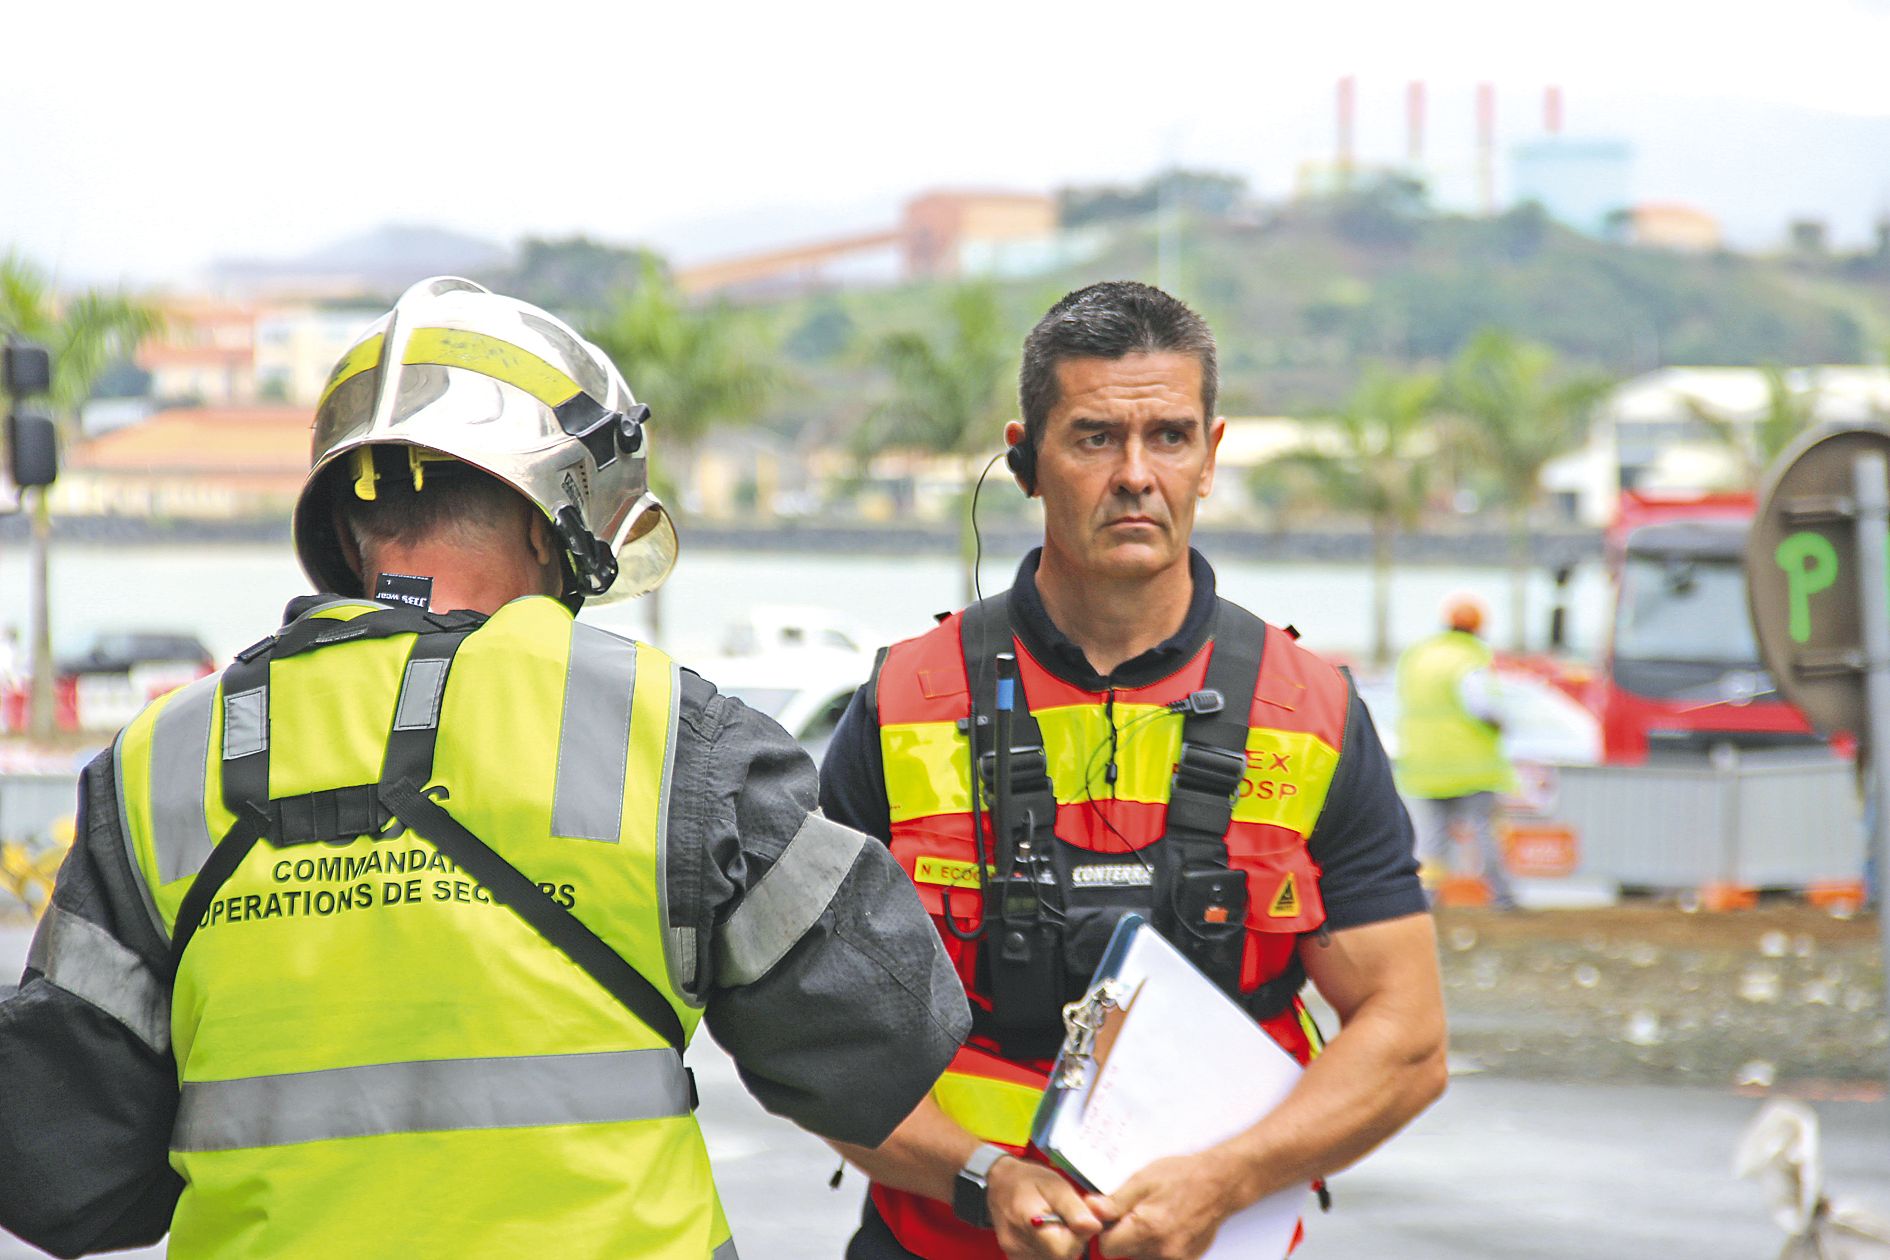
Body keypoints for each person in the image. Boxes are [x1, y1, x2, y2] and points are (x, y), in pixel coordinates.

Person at [0, 277, 969, 1260]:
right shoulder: (670, 729)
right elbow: (883, 1038)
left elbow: (61, 1176)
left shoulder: (159, 762)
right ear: (559, 528)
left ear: (344, 528)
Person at [818, 281, 1448, 1260]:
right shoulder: (905, 701)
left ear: (1211, 456)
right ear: (1025, 460)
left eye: (1169, 437)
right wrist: (986, 1177)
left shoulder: (1313, 711)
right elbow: (819, 1033)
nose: (1135, 474)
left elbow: (1406, 1037)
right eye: (1094, 437)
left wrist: (1225, 1180)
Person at [1395, 595, 1522, 911]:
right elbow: (1481, 705)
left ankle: (1425, 899)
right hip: (1471, 765)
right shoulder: (1468, 659)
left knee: (1432, 840)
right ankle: (1502, 896)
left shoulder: (1419, 656)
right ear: (1478, 628)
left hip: (1424, 762)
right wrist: (1502, 724)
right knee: (1483, 832)